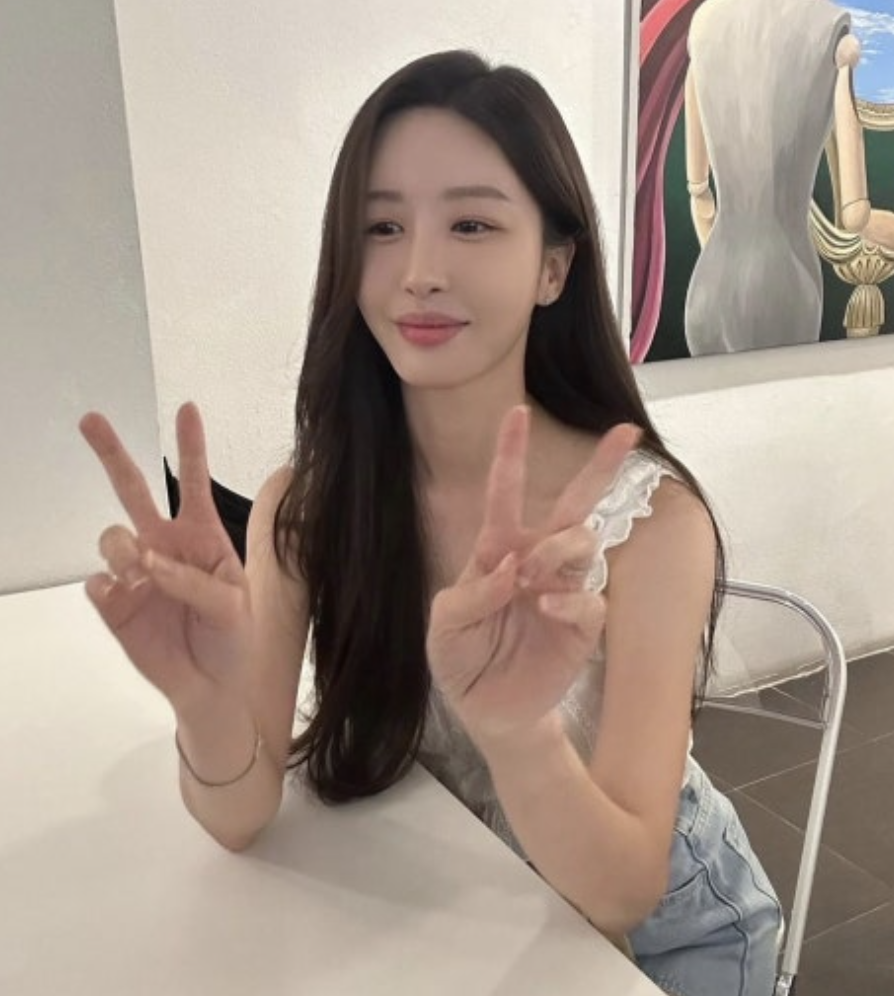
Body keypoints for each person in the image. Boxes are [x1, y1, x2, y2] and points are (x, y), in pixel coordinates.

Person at [80, 50, 782, 996]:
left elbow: (621, 895)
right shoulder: (309, 505)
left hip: (668, 938)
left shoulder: (649, 524)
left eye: (472, 223)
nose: (418, 272)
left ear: (554, 266)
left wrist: (519, 732)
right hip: (456, 899)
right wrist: (204, 701)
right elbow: (239, 817)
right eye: (382, 226)